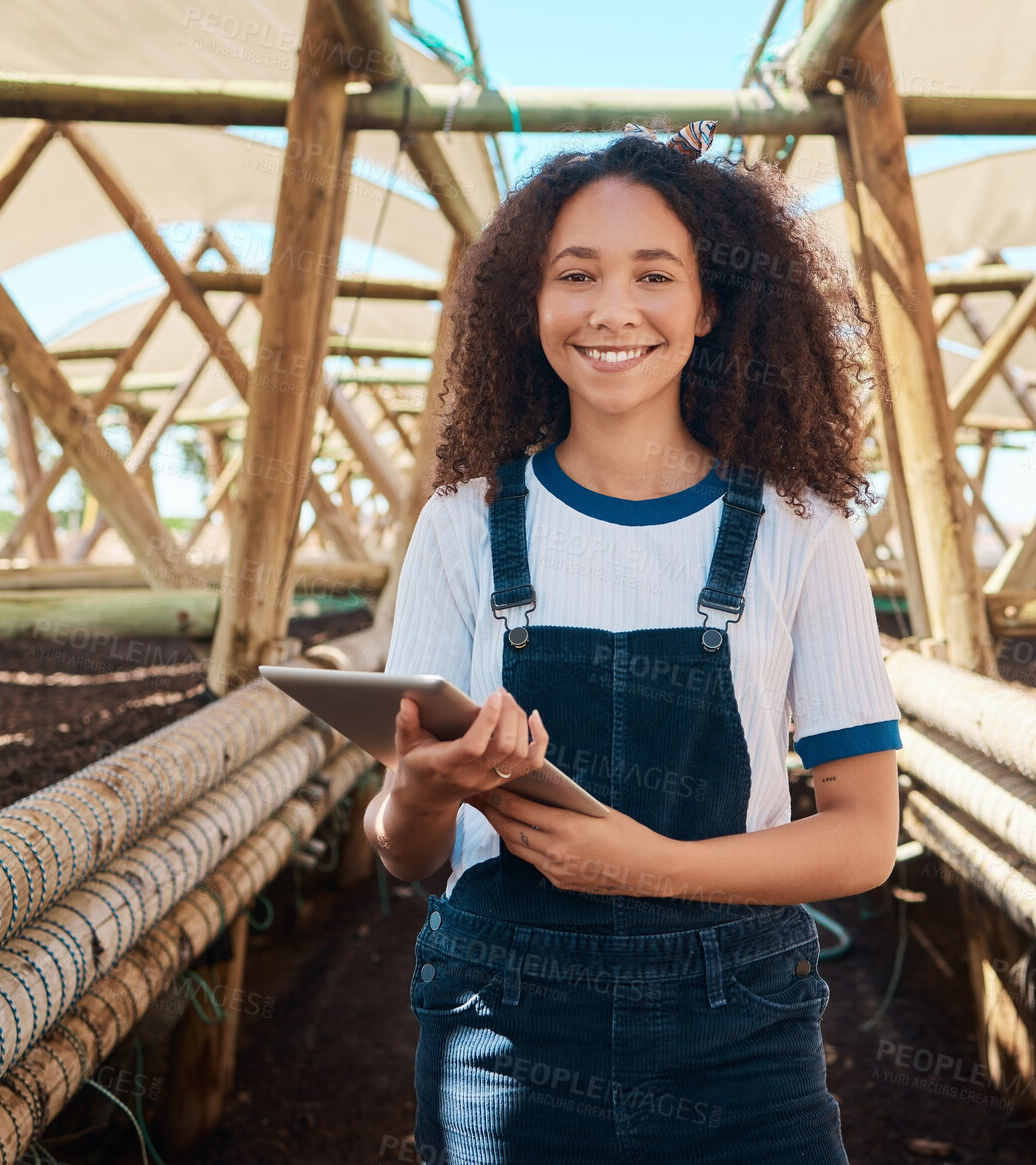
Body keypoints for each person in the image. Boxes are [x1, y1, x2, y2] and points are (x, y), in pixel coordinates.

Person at [363, 119, 902, 1164]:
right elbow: (406, 848)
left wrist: (647, 866)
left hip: (738, 1029)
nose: (612, 311)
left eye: (653, 275)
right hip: (501, 1031)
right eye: (576, 274)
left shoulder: (797, 528)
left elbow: (861, 836)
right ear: (531, 302)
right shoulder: (464, 522)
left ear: (708, 306)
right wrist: (430, 788)